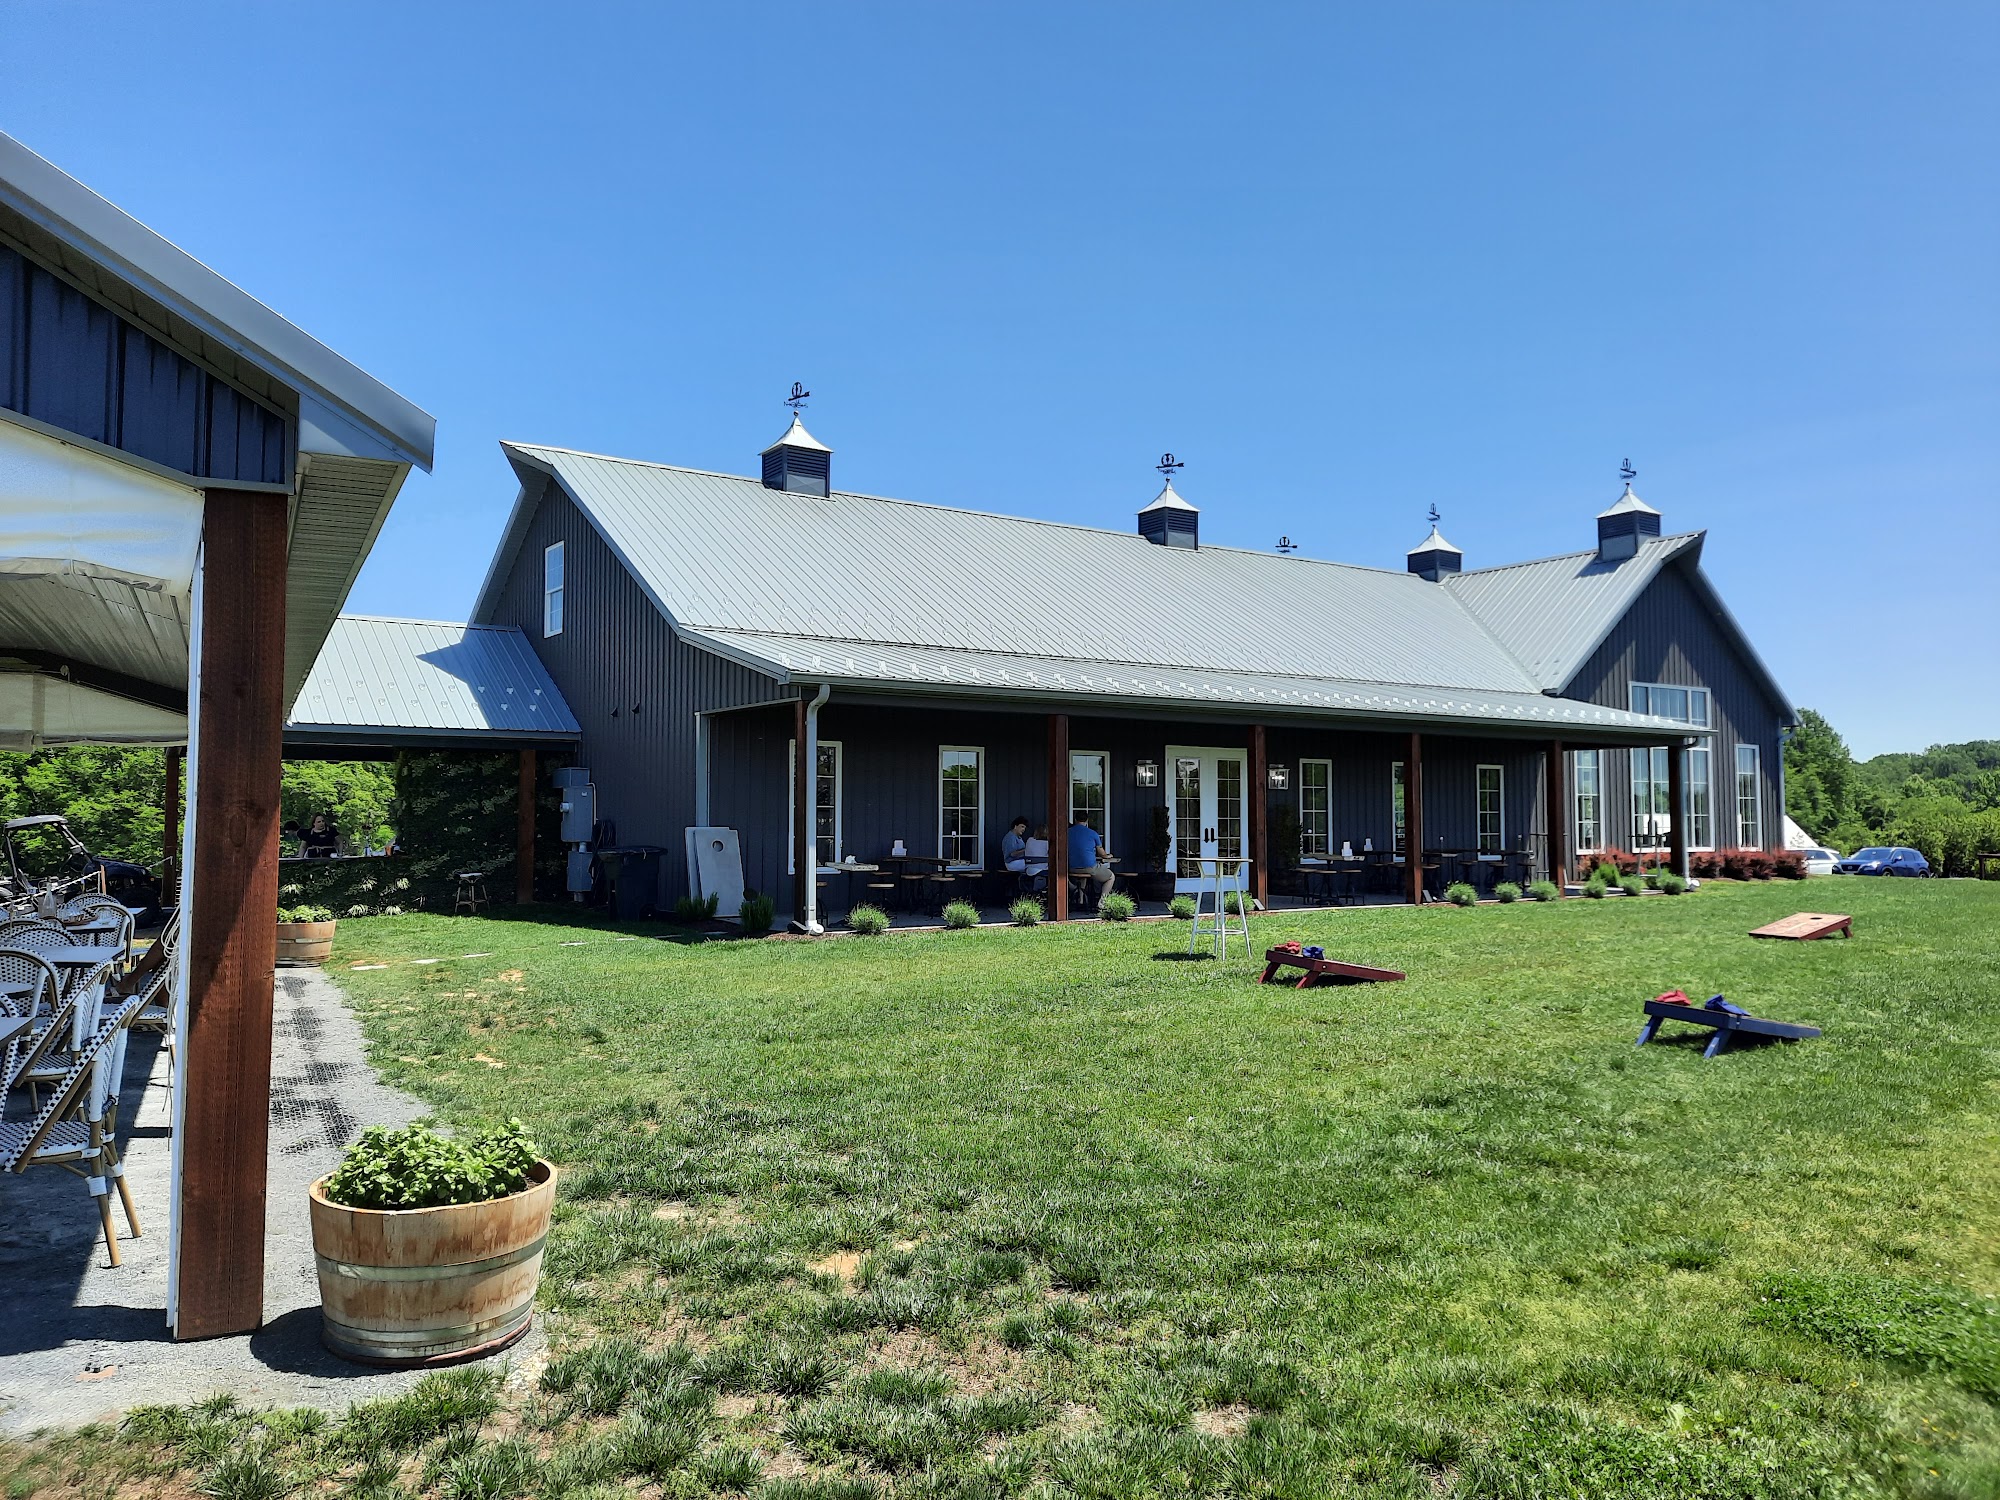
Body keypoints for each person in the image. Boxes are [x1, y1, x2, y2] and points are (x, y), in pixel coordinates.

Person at [1067, 814, 1115, 907]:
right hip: (1089, 867)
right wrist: (1108, 856)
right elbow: (1102, 854)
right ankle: (1102, 902)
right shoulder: (1093, 833)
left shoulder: (1067, 832)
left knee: (1083, 877)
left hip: (1071, 868)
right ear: (1087, 820)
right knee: (1111, 877)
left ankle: (1081, 900)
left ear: (1075, 820)